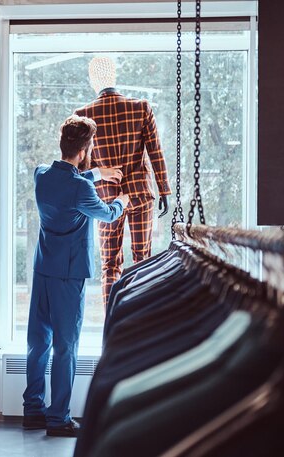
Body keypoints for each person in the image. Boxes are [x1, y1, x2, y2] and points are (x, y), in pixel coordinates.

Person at [22, 115, 129, 437]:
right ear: (85, 149)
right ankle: (59, 419)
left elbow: (67, 182)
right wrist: (122, 200)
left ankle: (32, 412)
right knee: (66, 347)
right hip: (68, 277)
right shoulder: (81, 188)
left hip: (43, 270)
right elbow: (107, 214)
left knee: (38, 343)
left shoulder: (41, 175)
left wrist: (98, 174)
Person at [74, 56, 171, 308]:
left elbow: (81, 164)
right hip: (139, 195)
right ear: (114, 76)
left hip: (105, 201)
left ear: (93, 79)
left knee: (110, 267)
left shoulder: (83, 116)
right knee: (142, 260)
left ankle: (112, 328)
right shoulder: (141, 107)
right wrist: (164, 190)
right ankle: (140, 323)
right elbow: (155, 152)